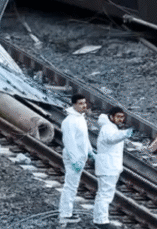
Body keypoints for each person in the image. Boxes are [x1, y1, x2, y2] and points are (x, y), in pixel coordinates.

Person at [93, 106, 132, 229]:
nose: (121, 119)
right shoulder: (108, 128)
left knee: (103, 194)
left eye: (122, 117)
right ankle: (102, 222)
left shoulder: (110, 127)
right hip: (108, 167)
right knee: (105, 194)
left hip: (108, 166)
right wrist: (126, 133)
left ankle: (98, 219)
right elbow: (111, 139)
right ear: (111, 117)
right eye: (118, 117)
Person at [59, 94, 92, 226]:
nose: (84, 105)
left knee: (73, 186)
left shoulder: (80, 118)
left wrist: (90, 151)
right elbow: (69, 142)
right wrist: (75, 160)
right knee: (70, 186)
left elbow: (84, 138)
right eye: (80, 103)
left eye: (84, 103)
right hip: (74, 157)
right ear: (73, 104)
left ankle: (68, 211)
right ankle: (65, 215)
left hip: (80, 157)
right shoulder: (69, 121)